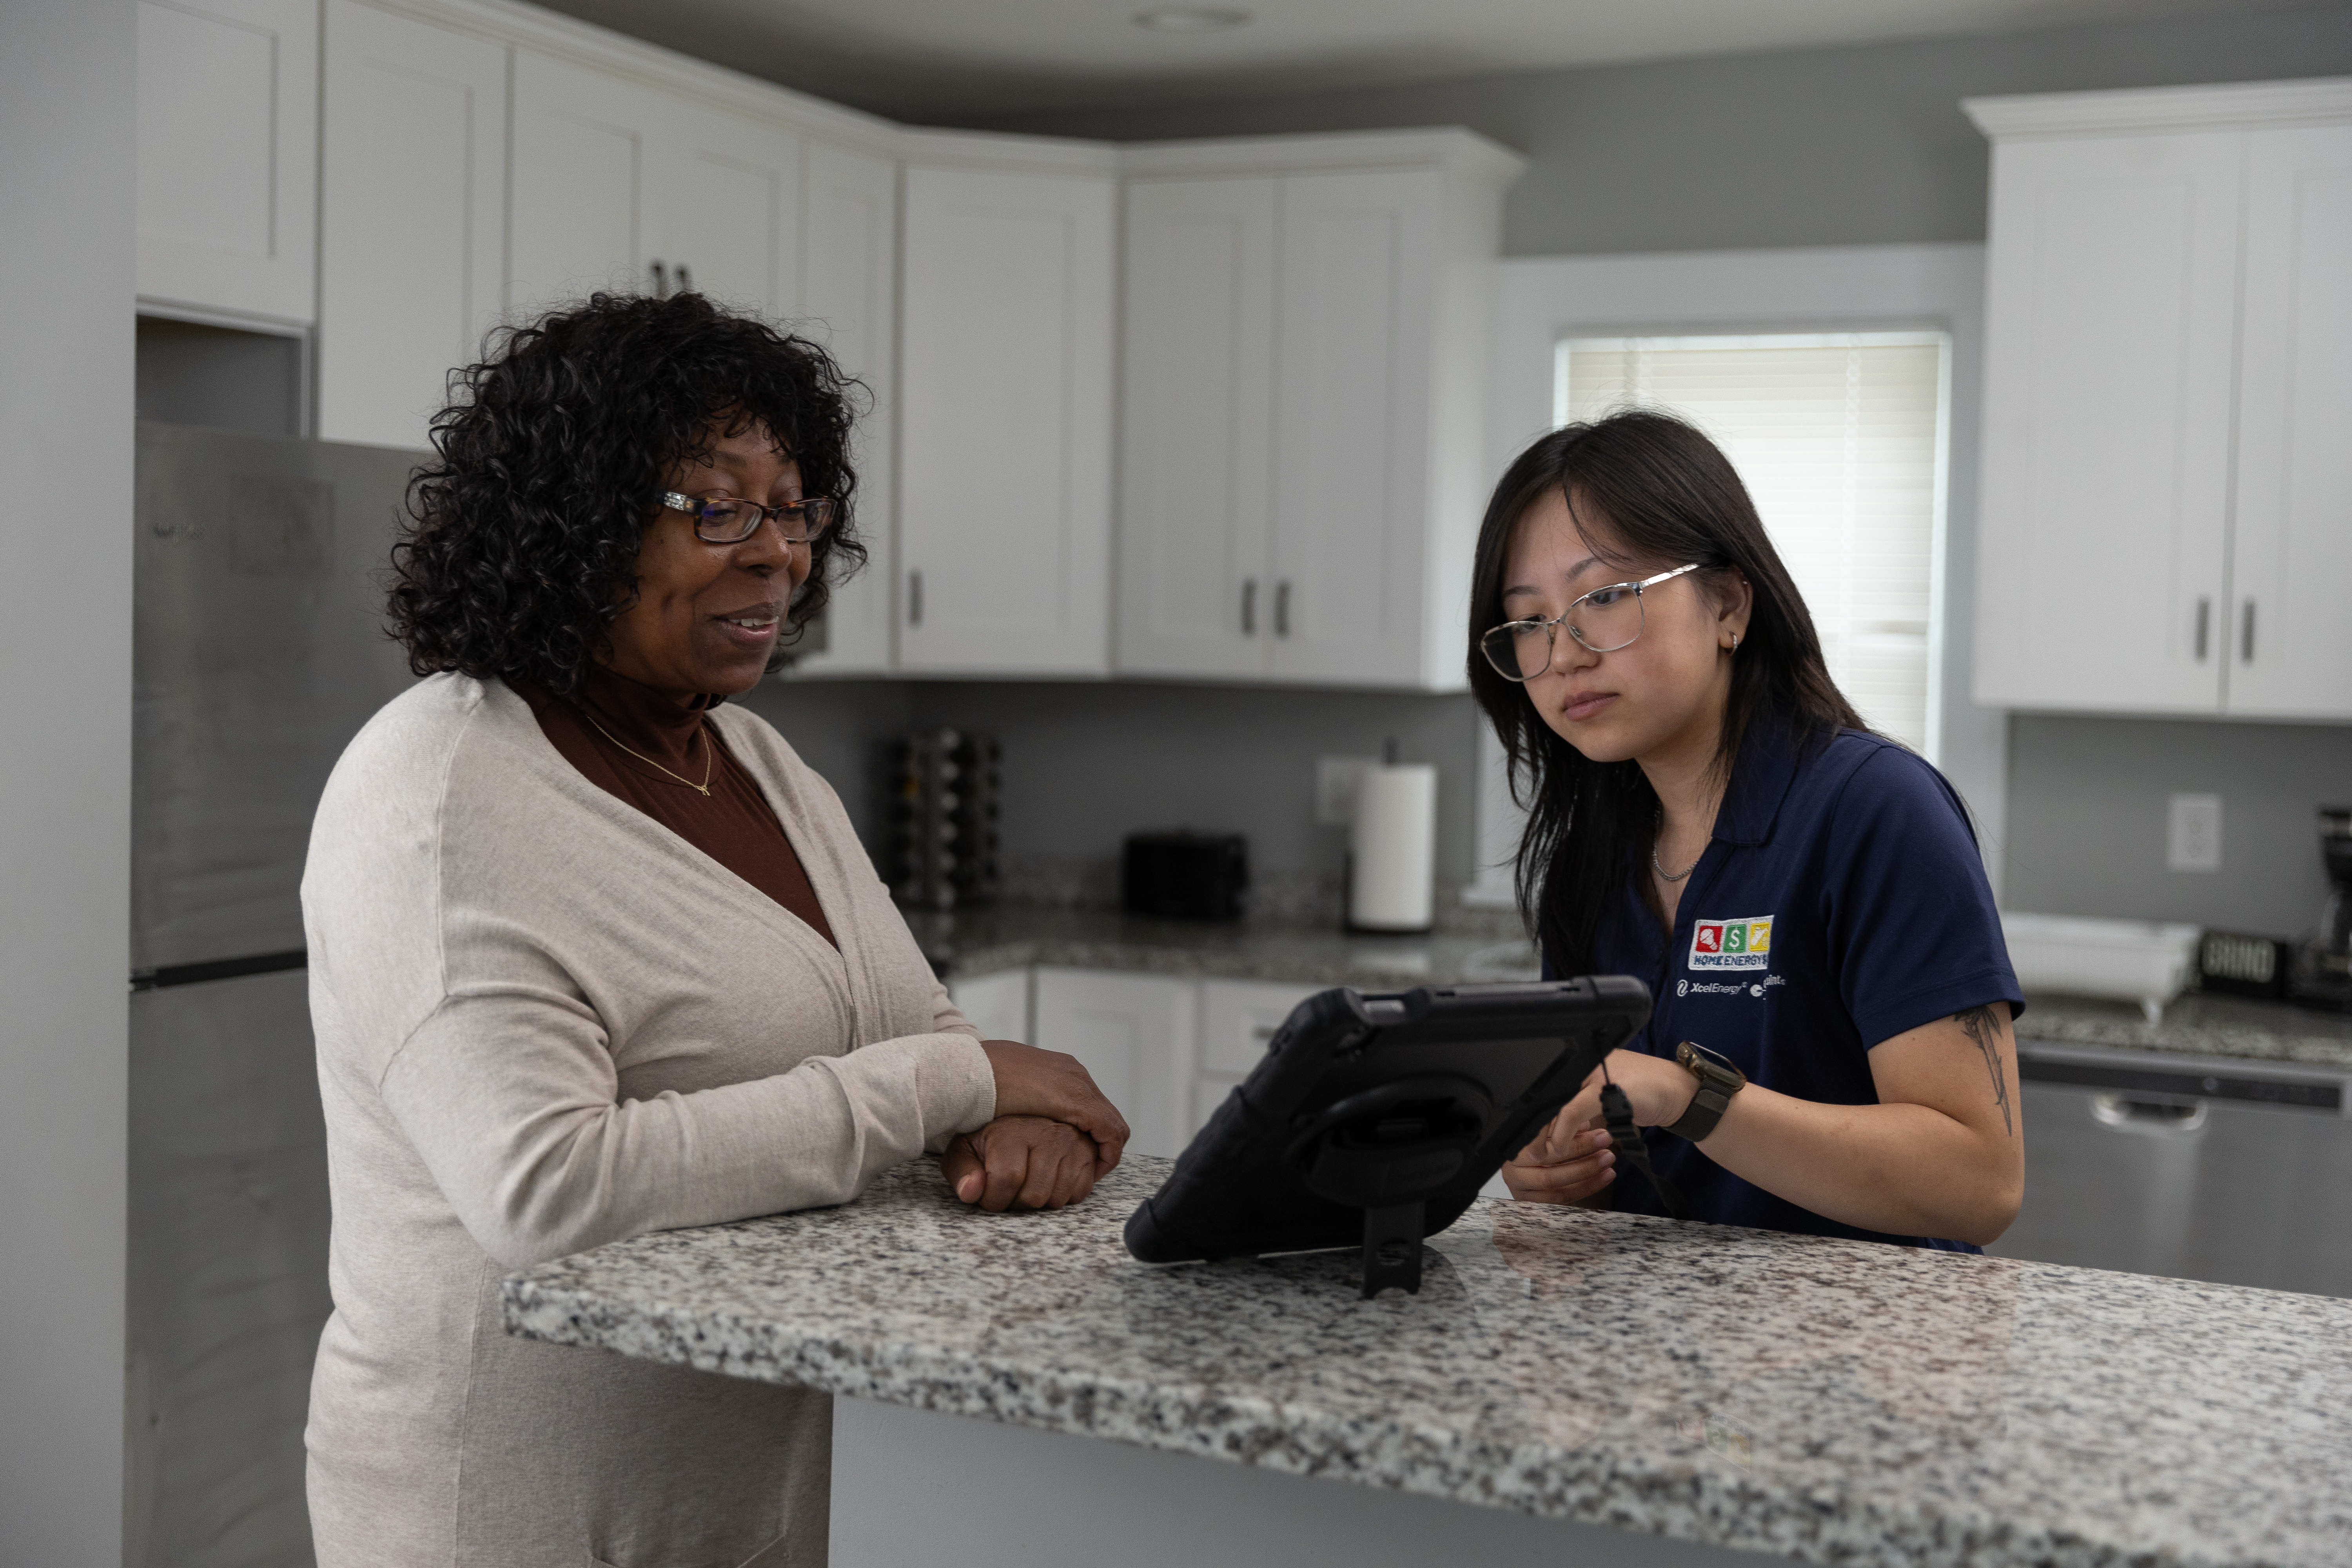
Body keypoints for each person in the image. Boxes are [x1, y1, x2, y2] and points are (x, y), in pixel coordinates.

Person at [301, 291, 1129, 1567]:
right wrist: (948, 1085)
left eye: (793, 508)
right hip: (512, 1510)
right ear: (569, 529)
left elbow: (912, 1018)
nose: (778, 553)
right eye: (717, 508)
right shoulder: (440, 796)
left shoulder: (756, 759)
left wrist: (994, 1114)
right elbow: (547, 1189)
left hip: (759, 1485)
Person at [1473, 412, 2023, 1250]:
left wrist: (1689, 1095)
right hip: (1655, 1354)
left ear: (1728, 603)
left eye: (1606, 597)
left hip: (1867, 1359)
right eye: (1530, 622)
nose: (1566, 652)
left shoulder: (1877, 810)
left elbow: (1980, 1183)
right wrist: (1553, 1177)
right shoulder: (1589, 866)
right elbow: (1613, 1175)